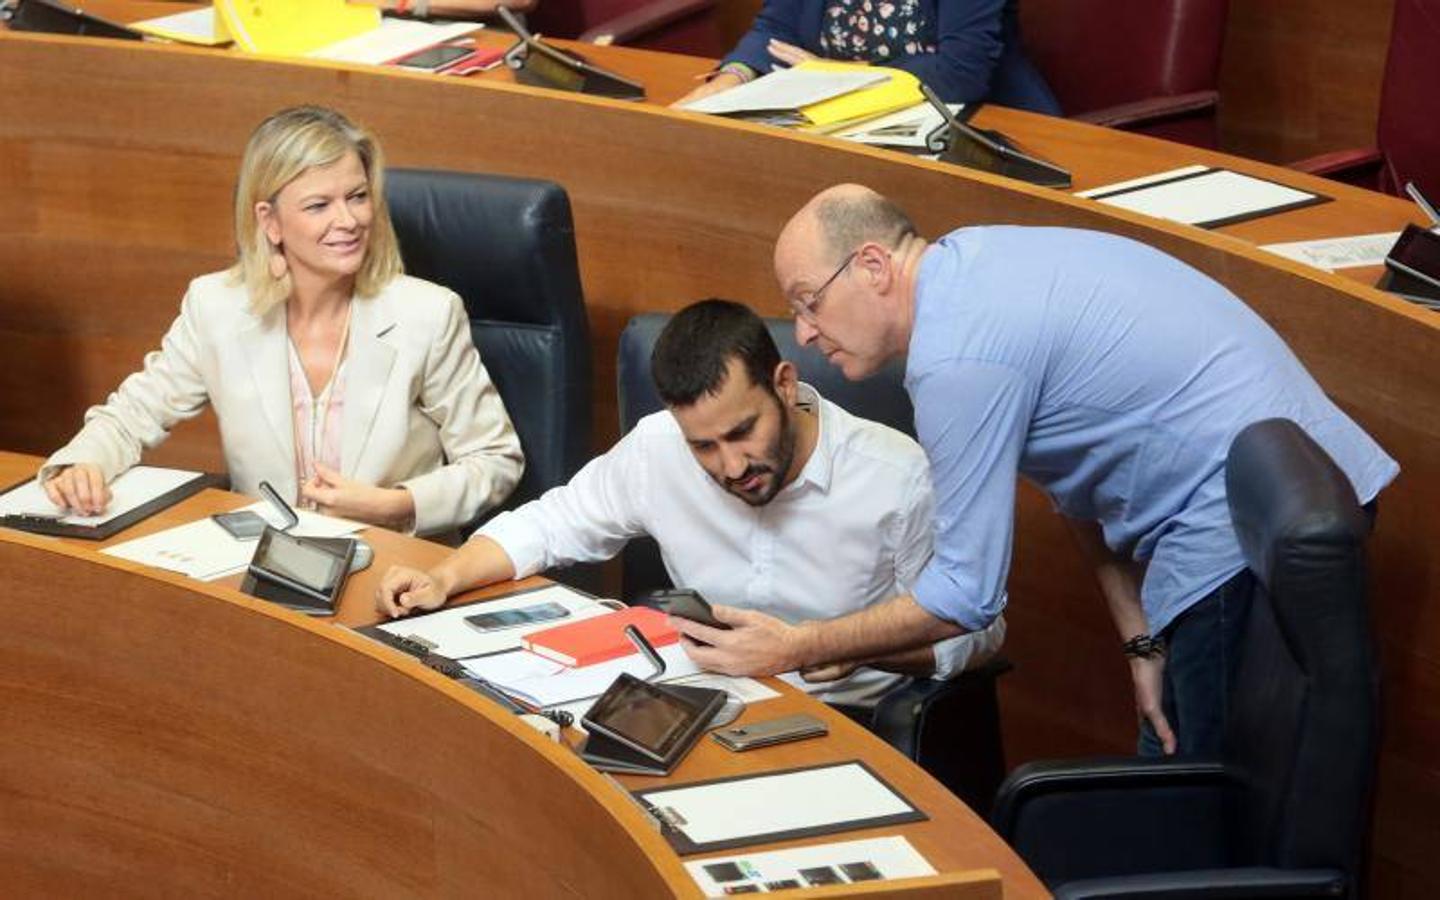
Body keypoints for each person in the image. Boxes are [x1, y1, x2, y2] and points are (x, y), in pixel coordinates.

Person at [671, 183, 1399, 756]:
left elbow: (965, 596)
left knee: (1194, 786)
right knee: (1181, 756)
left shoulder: (957, 361)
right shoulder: (969, 264)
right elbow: (1076, 480)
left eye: (809, 303)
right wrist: (1140, 639)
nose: (802, 331)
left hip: (1235, 522)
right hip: (1287, 481)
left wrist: (797, 645)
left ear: (872, 266)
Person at [376, 299, 1003, 708]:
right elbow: (551, 523)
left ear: (785, 385)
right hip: (696, 701)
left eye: (741, 433)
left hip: (846, 721)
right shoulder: (658, 448)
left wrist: (826, 645)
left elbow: (977, 633)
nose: (731, 466)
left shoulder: (896, 478)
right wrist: (443, 576)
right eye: (704, 446)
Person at [40, 106, 524, 537]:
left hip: (396, 565)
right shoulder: (217, 307)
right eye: (319, 205)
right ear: (269, 221)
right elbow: (131, 416)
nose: (349, 220)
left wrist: (396, 504)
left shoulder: (428, 314)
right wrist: (84, 462)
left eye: (357, 196)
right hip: (267, 566)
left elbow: (495, 460)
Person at [674, 0, 1059, 114]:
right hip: (849, 122)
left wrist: (834, 74)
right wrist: (732, 78)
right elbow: (775, 28)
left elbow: (961, 72)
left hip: (978, 127)